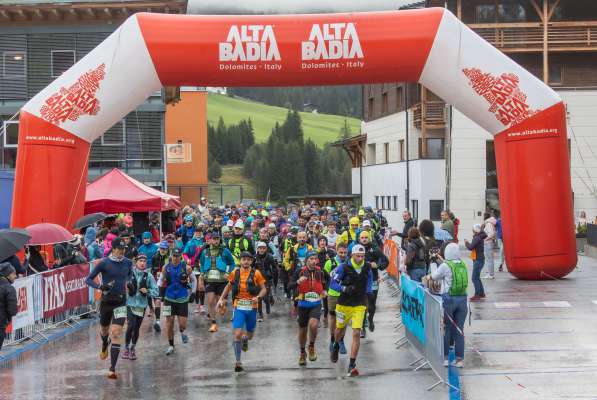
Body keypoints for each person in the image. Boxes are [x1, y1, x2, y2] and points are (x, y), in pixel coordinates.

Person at [85, 237, 133, 379]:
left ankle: (112, 368)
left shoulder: (128, 262)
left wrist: (130, 282)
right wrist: (100, 286)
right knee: (105, 330)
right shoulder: (104, 263)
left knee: (117, 332)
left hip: (120, 301)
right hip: (106, 302)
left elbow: (129, 274)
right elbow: (88, 279)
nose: (122, 252)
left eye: (124, 249)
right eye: (119, 249)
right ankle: (105, 344)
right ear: (113, 248)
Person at [216, 252, 267, 372]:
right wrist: (221, 299)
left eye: (248, 260)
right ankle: (238, 362)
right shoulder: (235, 273)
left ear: (251, 261)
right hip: (238, 306)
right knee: (237, 334)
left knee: (249, 335)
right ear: (240, 261)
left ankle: (246, 339)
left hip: (252, 307)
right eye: (243, 259)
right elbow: (228, 286)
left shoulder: (257, 273)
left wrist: (258, 297)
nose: (246, 261)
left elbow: (264, 289)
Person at [329, 244, 373, 377]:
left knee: (356, 333)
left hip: (359, 304)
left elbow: (370, 278)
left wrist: (369, 292)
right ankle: (336, 344)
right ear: (352, 255)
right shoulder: (344, 267)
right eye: (358, 256)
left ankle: (352, 364)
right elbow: (333, 283)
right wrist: (344, 289)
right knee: (340, 330)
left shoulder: (367, 266)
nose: (360, 258)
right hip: (344, 304)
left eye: (362, 256)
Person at [424, 242, 468, 368]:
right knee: (459, 329)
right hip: (463, 299)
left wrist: (433, 261)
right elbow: (449, 265)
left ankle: (446, 358)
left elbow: (434, 276)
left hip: (449, 299)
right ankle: (460, 360)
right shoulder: (462, 264)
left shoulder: (445, 266)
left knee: (447, 328)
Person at [289, 251, 325, 366]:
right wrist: (297, 282)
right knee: (302, 329)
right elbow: (289, 285)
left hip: (316, 303)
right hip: (303, 304)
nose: (314, 261)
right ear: (306, 260)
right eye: (311, 259)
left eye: (315, 259)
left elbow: (329, 281)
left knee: (313, 324)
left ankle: (311, 346)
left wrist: (326, 290)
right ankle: (302, 352)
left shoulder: (320, 271)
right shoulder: (299, 271)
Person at [122, 254, 159, 361]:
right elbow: (121, 284)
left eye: (144, 261)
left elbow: (156, 291)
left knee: (136, 328)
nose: (142, 263)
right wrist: (126, 289)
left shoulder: (149, 276)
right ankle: (126, 348)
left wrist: (147, 291)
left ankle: (133, 348)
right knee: (130, 325)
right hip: (130, 304)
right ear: (136, 262)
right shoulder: (129, 273)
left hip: (141, 306)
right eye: (140, 261)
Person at [198, 232, 234, 332]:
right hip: (209, 280)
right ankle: (213, 323)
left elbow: (232, 263)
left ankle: (223, 306)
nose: (216, 241)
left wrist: (229, 272)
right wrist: (202, 274)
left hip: (222, 281)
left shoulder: (225, 251)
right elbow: (201, 263)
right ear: (210, 240)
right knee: (210, 302)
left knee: (221, 303)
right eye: (214, 239)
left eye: (217, 239)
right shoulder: (205, 251)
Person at [161, 248, 192, 355]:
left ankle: (182, 332)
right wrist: (159, 295)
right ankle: (171, 345)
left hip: (182, 299)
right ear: (171, 256)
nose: (175, 258)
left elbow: (194, 280)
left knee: (182, 325)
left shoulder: (186, 268)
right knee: (169, 324)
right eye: (174, 255)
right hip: (168, 299)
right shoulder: (165, 268)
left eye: (177, 256)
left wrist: (193, 292)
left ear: (180, 257)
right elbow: (161, 281)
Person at [357, 231, 388, 335]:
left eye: (366, 237)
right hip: (360, 279)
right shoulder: (355, 248)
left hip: (373, 279)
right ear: (359, 239)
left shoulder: (374, 248)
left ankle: (370, 319)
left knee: (371, 304)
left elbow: (385, 261)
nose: (364, 239)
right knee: (362, 304)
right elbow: (348, 262)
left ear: (369, 238)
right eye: (362, 238)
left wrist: (378, 266)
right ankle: (362, 327)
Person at [324, 243, 348, 355]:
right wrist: (324, 290)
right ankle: (333, 339)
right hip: (333, 294)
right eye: (340, 252)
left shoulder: (349, 262)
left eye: (345, 252)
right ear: (336, 252)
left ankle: (341, 341)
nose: (343, 255)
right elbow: (324, 277)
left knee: (343, 318)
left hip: (346, 295)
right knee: (333, 317)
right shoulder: (330, 262)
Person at [150, 241, 170, 333]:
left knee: (166, 303)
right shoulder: (154, 257)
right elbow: (152, 270)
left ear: (167, 249)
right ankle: (157, 321)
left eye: (165, 249)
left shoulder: (170, 258)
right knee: (157, 302)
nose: (163, 250)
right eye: (161, 248)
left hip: (167, 284)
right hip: (157, 283)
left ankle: (168, 321)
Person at [253, 241, 275, 321]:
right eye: (260, 248)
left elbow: (275, 268)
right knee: (258, 296)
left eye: (263, 248)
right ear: (257, 249)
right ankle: (260, 314)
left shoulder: (269, 257)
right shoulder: (254, 257)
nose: (261, 250)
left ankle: (268, 302)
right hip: (257, 279)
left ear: (266, 249)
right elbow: (250, 268)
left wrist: (273, 276)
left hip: (267, 279)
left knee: (266, 297)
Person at [465, 224, 487, 301]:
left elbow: (470, 247)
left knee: (474, 278)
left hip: (478, 260)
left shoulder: (477, 238)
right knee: (477, 277)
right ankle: (481, 293)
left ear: (475, 230)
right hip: (480, 259)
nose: (472, 232)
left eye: (473, 230)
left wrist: (466, 242)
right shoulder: (480, 236)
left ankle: (477, 294)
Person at [0, 263, 17, 352]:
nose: (16, 276)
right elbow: (13, 310)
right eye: (13, 273)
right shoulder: (9, 288)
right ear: (8, 274)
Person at [482, 212, 497, 279]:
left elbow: (491, 234)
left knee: (489, 259)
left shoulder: (488, 224)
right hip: (489, 243)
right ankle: (489, 273)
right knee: (489, 259)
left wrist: (485, 239)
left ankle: (491, 274)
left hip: (488, 243)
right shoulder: (490, 223)